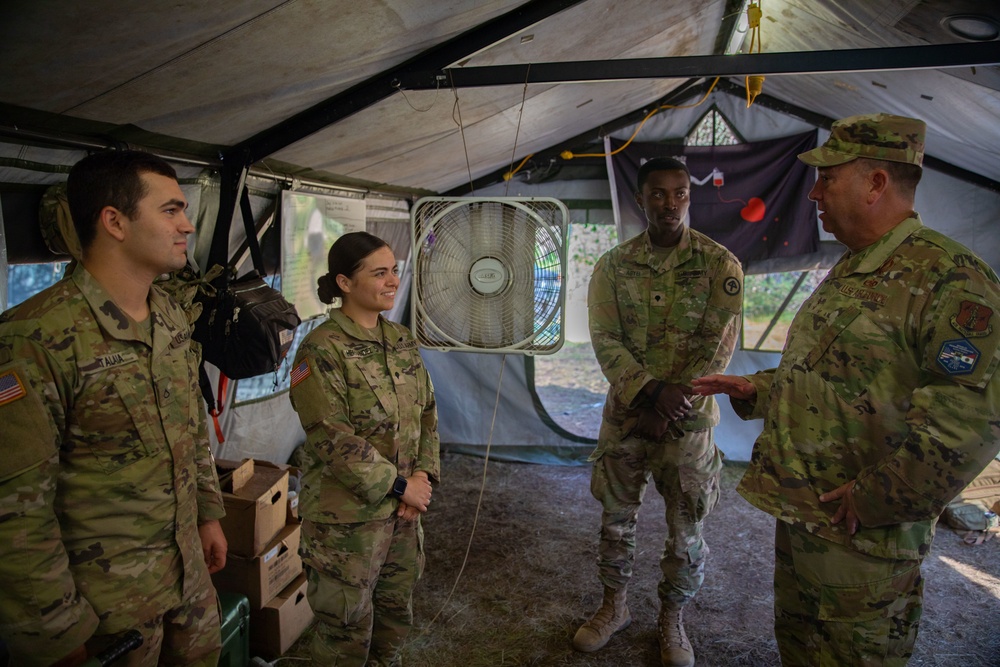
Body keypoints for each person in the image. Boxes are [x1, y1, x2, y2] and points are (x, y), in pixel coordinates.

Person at [692, 113, 1000, 665]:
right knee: (803, 648)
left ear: (876, 183)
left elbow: (968, 426)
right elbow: (831, 373)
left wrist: (875, 499)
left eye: (828, 177)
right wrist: (756, 388)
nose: (814, 192)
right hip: (809, 516)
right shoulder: (858, 267)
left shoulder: (951, 280)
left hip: (862, 539)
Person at [0, 150, 228, 666]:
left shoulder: (168, 315)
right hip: (107, 613)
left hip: (188, 584)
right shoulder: (36, 338)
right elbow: (17, 513)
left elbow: (189, 425)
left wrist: (209, 515)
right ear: (114, 221)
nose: (187, 225)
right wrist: (55, 634)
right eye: (171, 211)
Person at [575, 157, 744, 666]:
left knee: (685, 528)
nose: (669, 204)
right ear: (640, 199)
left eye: (679, 194)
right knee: (615, 521)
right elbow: (604, 339)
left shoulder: (720, 265)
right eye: (657, 194)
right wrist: (649, 392)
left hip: (687, 424)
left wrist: (670, 406)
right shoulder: (613, 265)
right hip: (627, 416)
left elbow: (719, 348)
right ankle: (614, 607)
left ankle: (672, 620)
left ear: (689, 198)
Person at [288, 231, 440, 666]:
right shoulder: (320, 350)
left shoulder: (401, 340)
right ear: (345, 283)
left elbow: (427, 412)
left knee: (394, 617)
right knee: (345, 633)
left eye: (394, 270)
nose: (393, 280)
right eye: (379, 273)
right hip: (346, 523)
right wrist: (398, 486)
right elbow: (331, 436)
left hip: (403, 515)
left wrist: (422, 478)